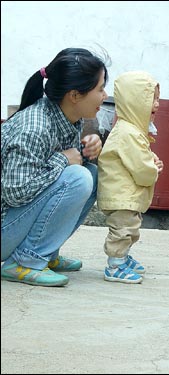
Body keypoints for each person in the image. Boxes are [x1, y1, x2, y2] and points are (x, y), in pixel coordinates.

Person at [1, 47, 109, 287]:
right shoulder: (35, 127)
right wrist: (64, 160)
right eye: (100, 88)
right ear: (75, 95)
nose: (104, 95)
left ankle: (45, 253)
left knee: (91, 174)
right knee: (78, 178)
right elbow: (15, 192)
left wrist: (87, 152)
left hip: (12, 222)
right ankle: (25, 261)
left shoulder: (67, 117)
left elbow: (60, 169)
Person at [97, 71, 163, 284]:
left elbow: (138, 158)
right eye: (152, 99)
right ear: (135, 101)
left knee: (130, 229)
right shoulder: (127, 133)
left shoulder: (132, 132)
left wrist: (151, 159)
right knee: (123, 230)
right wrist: (152, 168)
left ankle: (122, 258)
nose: (157, 105)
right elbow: (142, 170)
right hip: (121, 195)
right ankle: (115, 266)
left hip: (126, 195)